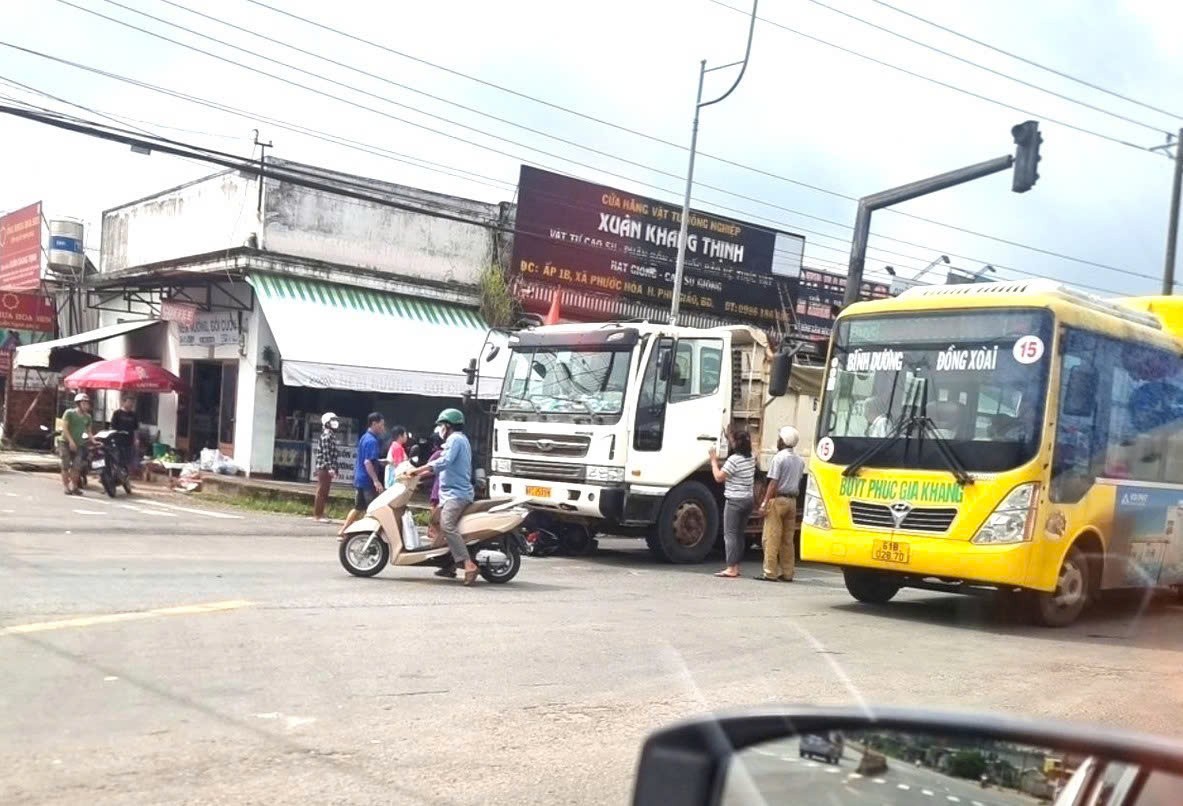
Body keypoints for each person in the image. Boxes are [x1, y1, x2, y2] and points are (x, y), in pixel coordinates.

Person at [414, 408, 479, 584]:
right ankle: (447, 563)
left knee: (447, 525)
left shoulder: (455, 439)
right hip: (449, 494)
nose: (441, 429)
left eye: (442, 425)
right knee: (435, 521)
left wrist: (419, 469)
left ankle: (468, 564)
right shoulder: (459, 440)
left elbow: (444, 461)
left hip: (456, 495)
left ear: (448, 426)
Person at [755, 426, 806, 582]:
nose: (777, 441)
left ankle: (769, 572)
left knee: (771, 537)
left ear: (783, 441)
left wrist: (764, 502)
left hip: (778, 500)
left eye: (779, 438)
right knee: (787, 540)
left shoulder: (779, 458)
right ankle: (788, 572)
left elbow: (773, 483)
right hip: (792, 501)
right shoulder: (800, 460)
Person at [709, 430, 756, 579]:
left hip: (735, 501)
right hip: (748, 499)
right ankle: (736, 565)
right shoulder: (751, 458)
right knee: (739, 534)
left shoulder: (734, 460)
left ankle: (731, 568)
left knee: (730, 535)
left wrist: (713, 461)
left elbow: (718, 477)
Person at [339, 412, 386, 536]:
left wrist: (381, 462)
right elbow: (367, 462)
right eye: (381, 425)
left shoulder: (364, 437)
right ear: (374, 424)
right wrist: (376, 480)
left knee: (358, 507)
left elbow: (368, 460)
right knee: (372, 510)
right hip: (367, 481)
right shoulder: (372, 441)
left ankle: (343, 530)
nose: (383, 428)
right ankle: (366, 534)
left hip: (360, 479)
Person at [59, 392, 93, 496]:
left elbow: (89, 431)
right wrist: (71, 441)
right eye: (84, 403)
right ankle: (66, 487)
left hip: (79, 444)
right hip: (65, 442)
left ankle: (74, 486)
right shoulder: (69, 413)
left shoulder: (88, 417)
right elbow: (64, 428)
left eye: (87, 403)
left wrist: (93, 440)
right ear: (78, 404)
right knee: (65, 465)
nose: (86, 405)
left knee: (77, 466)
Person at [313, 412, 340, 523]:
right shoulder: (326, 436)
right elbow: (326, 454)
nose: (335, 423)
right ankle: (318, 515)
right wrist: (330, 468)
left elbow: (333, 455)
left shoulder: (331, 436)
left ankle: (320, 513)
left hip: (327, 468)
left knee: (325, 491)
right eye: (332, 420)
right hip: (324, 468)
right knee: (321, 491)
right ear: (327, 423)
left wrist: (335, 469)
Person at [109, 395, 140, 489]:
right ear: (124, 402)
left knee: (127, 462)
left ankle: (126, 480)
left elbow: (136, 429)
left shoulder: (133, 415)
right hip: (118, 441)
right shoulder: (117, 413)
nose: (131, 405)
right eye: (129, 402)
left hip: (129, 441)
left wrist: (136, 439)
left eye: (132, 403)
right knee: (117, 460)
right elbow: (112, 427)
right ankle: (113, 479)